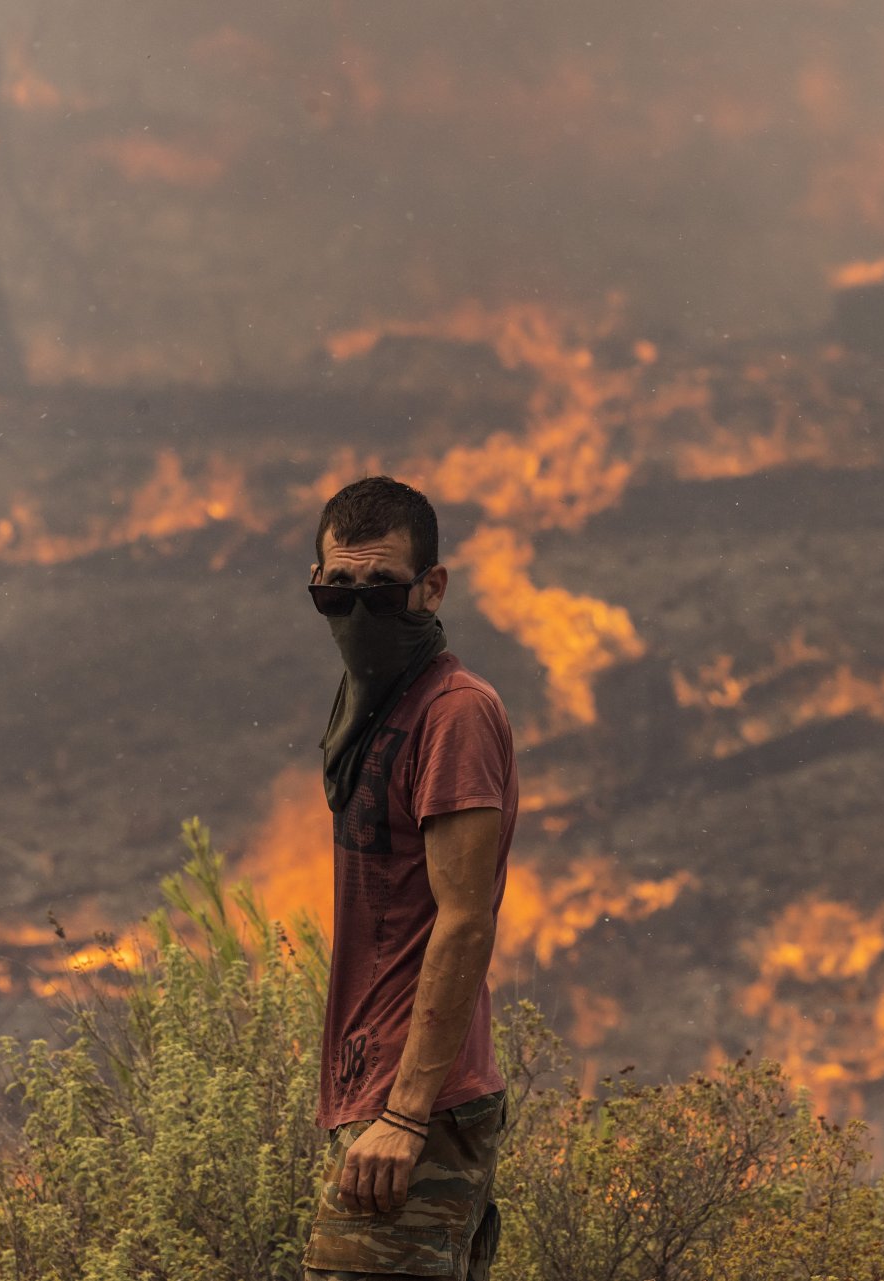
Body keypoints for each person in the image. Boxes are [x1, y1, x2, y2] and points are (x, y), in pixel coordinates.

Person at [301, 476, 519, 1281]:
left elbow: (463, 920)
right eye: (337, 591)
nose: (359, 613)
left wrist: (404, 1110)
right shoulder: (366, 708)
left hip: (417, 1104)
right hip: (375, 1092)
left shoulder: (452, 712)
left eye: (383, 589)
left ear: (431, 588)